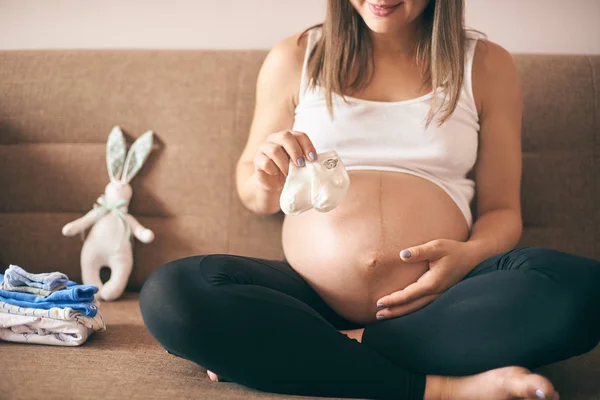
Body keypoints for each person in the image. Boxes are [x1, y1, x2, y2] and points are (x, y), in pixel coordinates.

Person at [139, 1, 600, 399]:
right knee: (172, 293)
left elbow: (502, 211)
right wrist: (265, 173)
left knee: (582, 291)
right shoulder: (295, 57)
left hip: (443, 298)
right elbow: (254, 194)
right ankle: (438, 388)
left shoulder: (487, 65)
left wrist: (468, 256)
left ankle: (314, 347)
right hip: (308, 293)